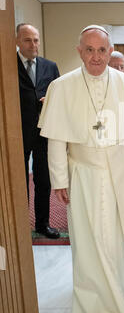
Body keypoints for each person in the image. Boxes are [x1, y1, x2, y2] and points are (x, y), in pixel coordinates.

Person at [38, 25, 124, 313]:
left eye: (102, 50)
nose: (96, 56)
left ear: (109, 51)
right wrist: (59, 180)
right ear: (79, 51)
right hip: (84, 175)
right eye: (89, 49)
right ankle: (90, 309)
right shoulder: (61, 88)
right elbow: (56, 139)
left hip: (122, 172)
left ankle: (118, 294)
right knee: (87, 243)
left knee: (117, 238)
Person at [16, 23, 60, 239]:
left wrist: (49, 101)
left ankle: (43, 224)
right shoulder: (6, 64)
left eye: (36, 40)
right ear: (17, 41)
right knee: (19, 181)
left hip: (44, 133)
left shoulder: (50, 66)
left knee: (43, 181)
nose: (33, 44)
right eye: (27, 40)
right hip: (17, 133)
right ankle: (21, 225)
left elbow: (59, 97)